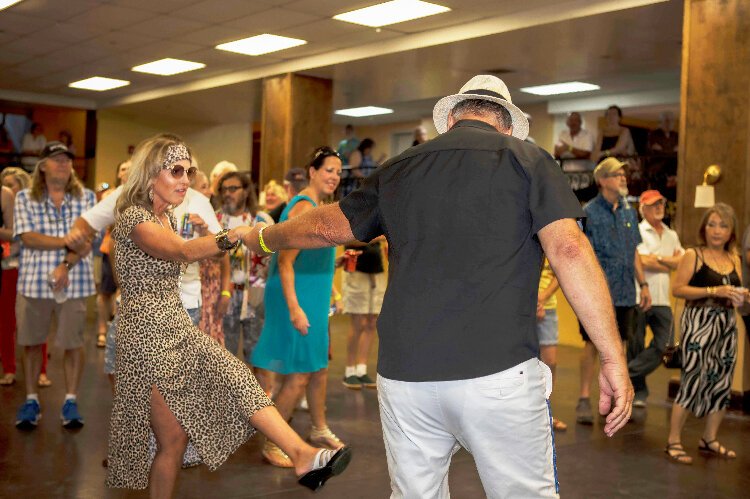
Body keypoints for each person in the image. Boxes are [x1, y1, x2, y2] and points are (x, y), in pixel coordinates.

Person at [241, 75, 634, 498]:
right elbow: (570, 252)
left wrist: (261, 237)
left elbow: (322, 227)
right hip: (498, 370)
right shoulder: (531, 161)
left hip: (406, 377)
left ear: (450, 119)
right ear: (507, 125)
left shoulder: (398, 168)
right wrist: (613, 355)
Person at [105, 133, 350, 495]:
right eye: (176, 171)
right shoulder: (134, 218)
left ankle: (302, 453)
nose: (185, 180)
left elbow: (195, 251)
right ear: (150, 173)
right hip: (146, 334)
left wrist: (233, 240)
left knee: (224, 391)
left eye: (189, 171)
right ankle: (302, 453)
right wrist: (231, 234)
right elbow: (183, 253)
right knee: (172, 440)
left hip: (172, 324)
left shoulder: (166, 217)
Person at [252, 146, 345, 468]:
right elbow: (286, 262)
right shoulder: (302, 208)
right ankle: (275, 441)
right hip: (296, 297)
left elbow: (315, 257)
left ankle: (318, 428)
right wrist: (295, 308)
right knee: (300, 374)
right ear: (312, 171)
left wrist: (331, 289)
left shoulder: (320, 206)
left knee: (318, 367)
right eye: (329, 169)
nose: (334, 175)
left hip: (314, 295)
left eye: (338, 171)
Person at [13, 141, 95, 430]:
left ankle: (70, 400)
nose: (63, 163)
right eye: (56, 159)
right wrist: (65, 242)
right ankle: (31, 399)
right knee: (32, 342)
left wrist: (65, 264)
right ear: (43, 165)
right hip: (33, 283)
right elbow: (27, 237)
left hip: (74, 281)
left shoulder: (86, 197)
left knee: (73, 343)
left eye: (67, 159)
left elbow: (88, 240)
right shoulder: (25, 197)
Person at [665, 203, 748, 464]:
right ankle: (673, 441)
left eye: (723, 225)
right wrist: (713, 291)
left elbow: (738, 292)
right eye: (712, 224)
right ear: (704, 227)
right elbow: (679, 289)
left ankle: (709, 438)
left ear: (732, 230)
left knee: (721, 381)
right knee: (691, 379)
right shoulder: (694, 255)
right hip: (699, 323)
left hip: (726, 324)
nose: (717, 230)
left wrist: (740, 296)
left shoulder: (734, 258)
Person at [576, 157, 651, 425]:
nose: (623, 179)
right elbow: (583, 255)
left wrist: (643, 284)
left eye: (624, 175)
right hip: (597, 293)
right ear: (603, 180)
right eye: (617, 175)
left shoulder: (630, 212)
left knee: (619, 346)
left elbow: (634, 254)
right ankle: (584, 398)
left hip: (625, 293)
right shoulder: (589, 212)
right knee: (591, 345)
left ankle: (616, 398)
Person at [629, 190, 684, 407]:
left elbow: (682, 262)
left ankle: (625, 374)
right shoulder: (637, 231)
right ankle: (638, 392)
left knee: (665, 344)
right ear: (643, 209)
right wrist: (668, 261)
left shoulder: (672, 235)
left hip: (663, 299)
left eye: (661, 204)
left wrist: (657, 259)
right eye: (653, 205)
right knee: (635, 343)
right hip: (639, 295)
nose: (659, 208)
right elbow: (639, 261)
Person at [216, 171, 272, 363]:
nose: (227, 193)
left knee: (257, 353)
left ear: (246, 191)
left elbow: (275, 252)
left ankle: (259, 392)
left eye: (233, 188)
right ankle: (225, 393)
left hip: (256, 292)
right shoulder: (215, 220)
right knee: (224, 353)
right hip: (225, 294)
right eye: (224, 189)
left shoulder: (260, 219)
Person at [536, 258, 566, 431]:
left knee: (550, 363)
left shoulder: (550, 242)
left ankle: (546, 412)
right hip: (521, 305)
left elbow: (559, 274)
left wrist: (542, 298)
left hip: (548, 306)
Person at [1, 186, 17, 385]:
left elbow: (14, 233)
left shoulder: (4, 194)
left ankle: (9, 368)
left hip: (5, 265)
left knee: (6, 320)